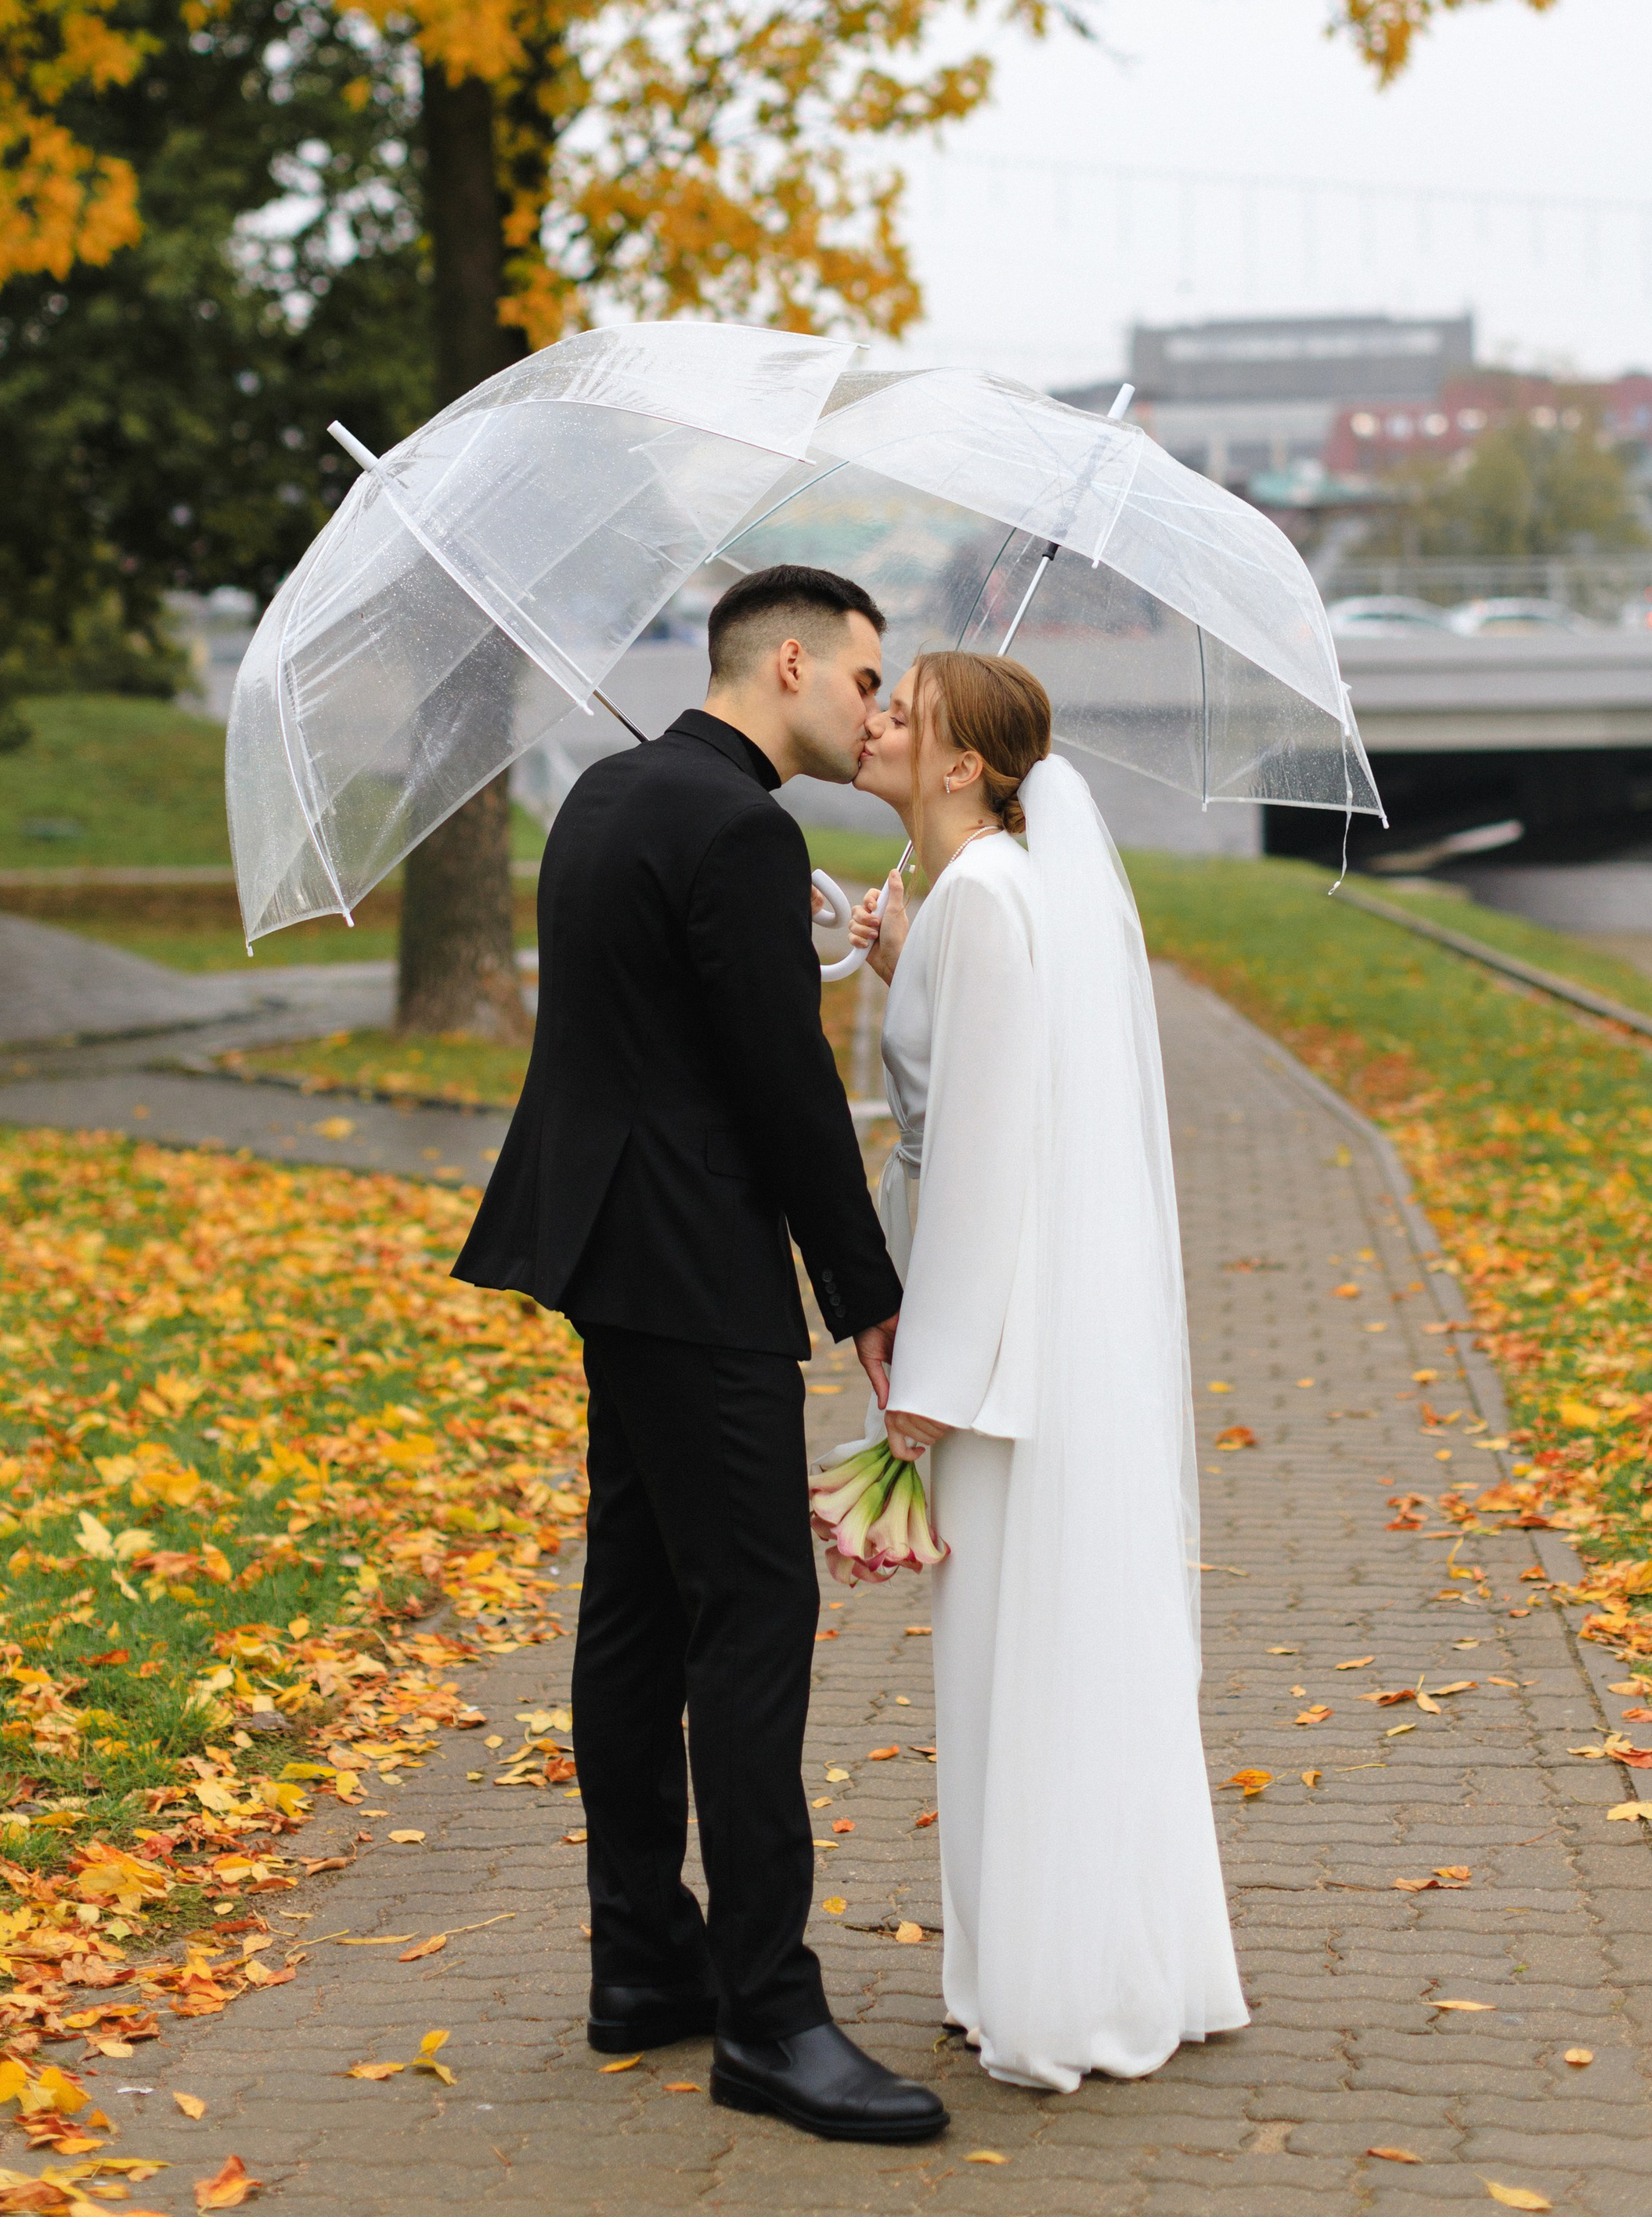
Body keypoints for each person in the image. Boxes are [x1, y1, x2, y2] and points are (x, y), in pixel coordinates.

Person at [453, 565, 948, 2147]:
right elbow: (781, 1085)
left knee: (640, 1604)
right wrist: (864, 1291)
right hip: (691, 1258)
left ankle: (642, 1961)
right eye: (864, 680)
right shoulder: (734, 828)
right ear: (788, 662)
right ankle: (770, 2018)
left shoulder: (613, 795)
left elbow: (658, 1020)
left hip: (605, 1248)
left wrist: (775, 927)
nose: (875, 711)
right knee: (752, 1612)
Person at [848, 652, 1248, 2092]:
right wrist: (902, 960)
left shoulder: (988, 899)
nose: (874, 721)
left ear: (964, 766)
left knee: (1011, 1661)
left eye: (904, 714)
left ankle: (1048, 1981)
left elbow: (987, 1155)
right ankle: (1057, 1954)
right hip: (1005, 1333)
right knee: (1015, 1657)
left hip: (994, 1350)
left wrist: (929, 1380)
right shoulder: (975, 896)